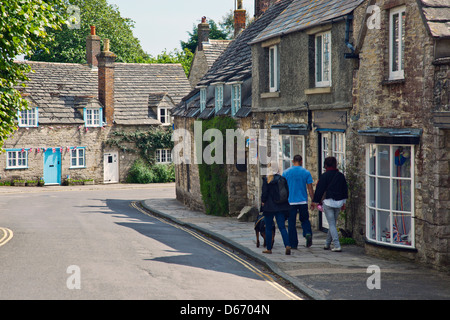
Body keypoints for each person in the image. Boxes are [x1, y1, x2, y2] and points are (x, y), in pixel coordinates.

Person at [312, 156, 348, 252]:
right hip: (339, 202)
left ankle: (337, 245)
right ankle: (327, 244)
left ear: (326, 165)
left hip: (328, 202)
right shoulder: (340, 175)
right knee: (332, 223)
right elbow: (345, 190)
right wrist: (344, 203)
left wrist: (315, 201)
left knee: (331, 224)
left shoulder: (325, 176)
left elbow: (319, 190)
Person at [282, 155, 314, 249]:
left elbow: (282, 188)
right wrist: (313, 200)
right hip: (303, 201)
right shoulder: (306, 172)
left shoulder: (286, 172)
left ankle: (293, 243)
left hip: (290, 202)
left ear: (292, 161)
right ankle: (307, 233)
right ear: (301, 161)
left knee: (291, 223)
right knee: (304, 219)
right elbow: (310, 188)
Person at [261, 168, 291, 255]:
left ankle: (269, 248)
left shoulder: (267, 180)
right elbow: (287, 193)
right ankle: (287, 245)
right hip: (281, 206)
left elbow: (264, 193)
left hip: (269, 207)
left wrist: (263, 201)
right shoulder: (282, 179)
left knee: (268, 228)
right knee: (282, 227)